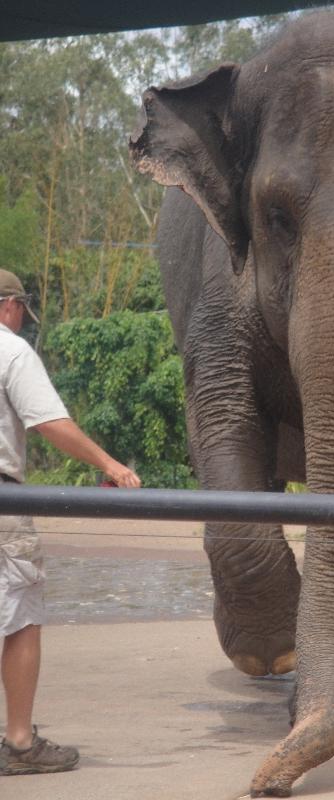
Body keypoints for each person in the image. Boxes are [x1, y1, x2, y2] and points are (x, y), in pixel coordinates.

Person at [0, 268, 141, 775]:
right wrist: (110, 465)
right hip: (2, 504)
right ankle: (19, 743)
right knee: (21, 613)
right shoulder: (10, 350)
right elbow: (47, 421)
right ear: (10, 306)